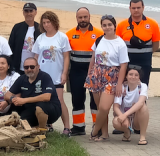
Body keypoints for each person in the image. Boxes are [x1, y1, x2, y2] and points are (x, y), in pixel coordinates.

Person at [84, 15, 129, 142]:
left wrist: (119, 84)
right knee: (100, 109)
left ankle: (94, 131)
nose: (107, 27)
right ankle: (104, 134)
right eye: (104, 25)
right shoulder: (99, 40)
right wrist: (89, 74)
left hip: (112, 76)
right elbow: (93, 58)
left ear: (114, 26)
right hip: (97, 74)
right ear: (102, 26)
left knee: (104, 107)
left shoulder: (120, 43)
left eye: (110, 24)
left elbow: (123, 65)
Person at [32, 11, 71, 134]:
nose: (46, 25)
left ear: (54, 22)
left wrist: (64, 73)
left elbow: (66, 57)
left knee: (59, 100)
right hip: (42, 75)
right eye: (44, 22)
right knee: (44, 100)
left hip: (56, 75)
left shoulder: (62, 37)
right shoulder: (40, 38)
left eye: (48, 22)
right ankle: (49, 124)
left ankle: (67, 127)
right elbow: (36, 57)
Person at [66, 7, 103, 135]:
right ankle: (78, 127)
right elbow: (65, 55)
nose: (82, 19)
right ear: (76, 18)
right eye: (80, 17)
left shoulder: (99, 34)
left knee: (95, 100)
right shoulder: (69, 34)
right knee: (77, 99)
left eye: (85, 17)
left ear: (89, 17)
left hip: (94, 72)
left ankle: (96, 127)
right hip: (76, 71)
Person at [4, 57, 61, 129]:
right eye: (26, 67)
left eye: (32, 67)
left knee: (40, 107)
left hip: (51, 109)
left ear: (38, 67)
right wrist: (13, 99)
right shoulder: (22, 78)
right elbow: (7, 95)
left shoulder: (45, 77)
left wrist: (24, 100)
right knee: (21, 123)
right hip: (31, 109)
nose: (29, 69)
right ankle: (34, 126)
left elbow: (46, 97)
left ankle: (42, 130)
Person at [115, 0, 160, 85]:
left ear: (143, 8)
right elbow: (117, 45)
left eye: (138, 7)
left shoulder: (152, 23)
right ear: (130, 8)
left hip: (145, 62)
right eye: (133, 8)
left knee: (143, 86)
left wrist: (146, 53)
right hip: (127, 62)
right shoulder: (122, 25)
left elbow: (156, 44)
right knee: (125, 87)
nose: (136, 10)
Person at [112, 68, 149, 145]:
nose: (133, 77)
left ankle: (142, 137)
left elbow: (141, 102)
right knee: (115, 121)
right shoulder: (121, 87)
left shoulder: (143, 86)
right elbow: (115, 107)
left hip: (136, 119)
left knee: (143, 107)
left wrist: (125, 115)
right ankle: (126, 132)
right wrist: (123, 117)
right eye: (130, 74)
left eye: (136, 75)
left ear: (139, 77)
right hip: (124, 118)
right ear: (126, 76)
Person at [8, 3, 41, 73]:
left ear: (36, 12)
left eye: (31, 11)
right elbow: (10, 47)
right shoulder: (17, 27)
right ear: (23, 13)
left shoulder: (40, 28)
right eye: (26, 11)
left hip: (34, 68)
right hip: (18, 68)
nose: (28, 13)